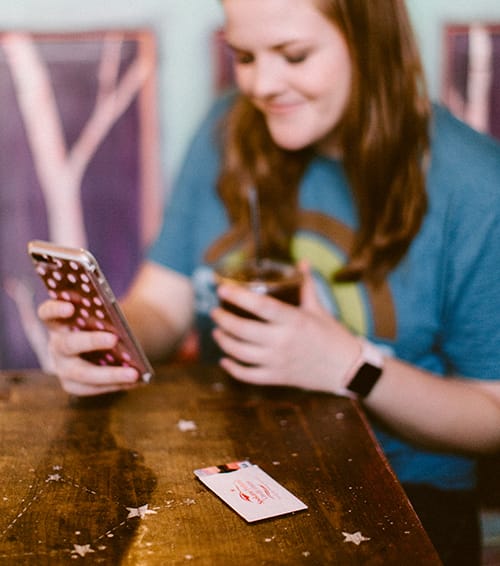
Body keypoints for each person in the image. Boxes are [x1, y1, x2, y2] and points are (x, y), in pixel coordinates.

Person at [38, 0, 500, 563]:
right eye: (245, 56)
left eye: (294, 55)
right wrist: (109, 342)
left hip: (406, 500)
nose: (261, 84)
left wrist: (350, 366)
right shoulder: (228, 127)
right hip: (226, 471)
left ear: (372, 42)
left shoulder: (473, 185)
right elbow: (163, 301)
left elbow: (491, 416)